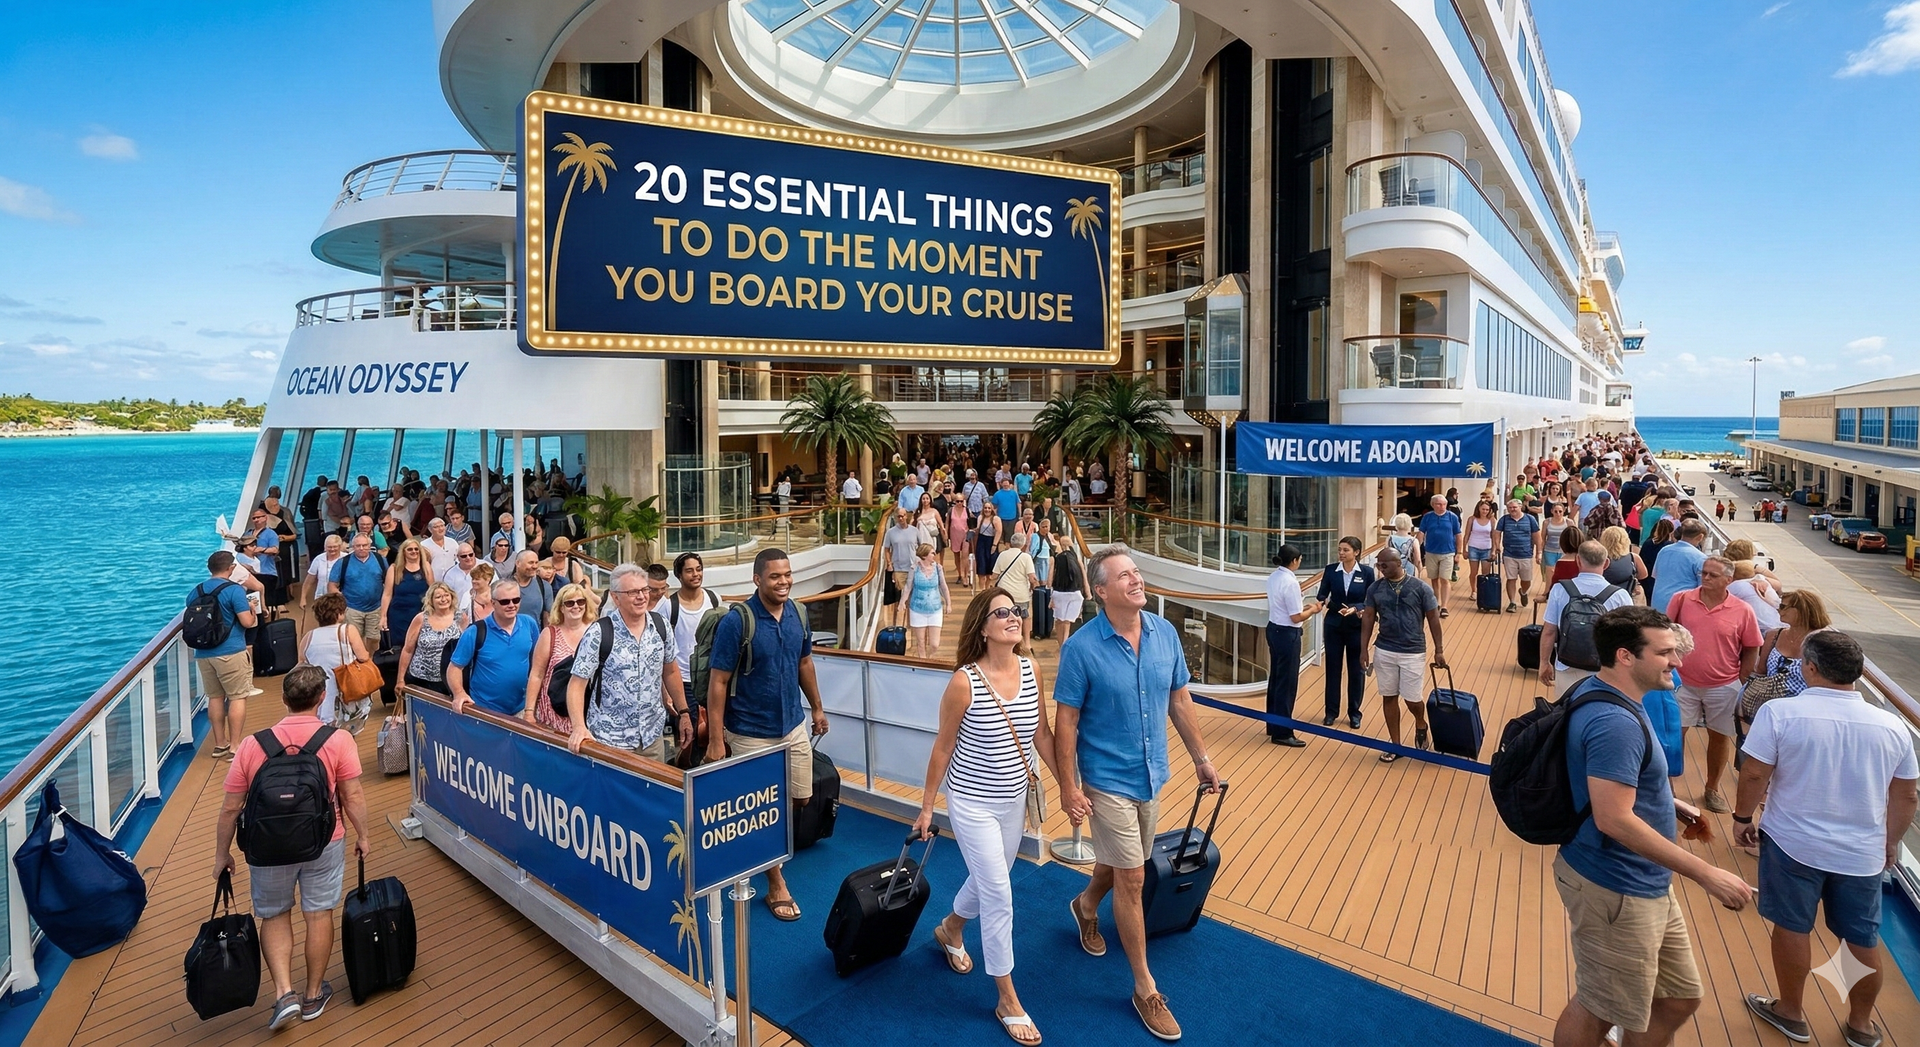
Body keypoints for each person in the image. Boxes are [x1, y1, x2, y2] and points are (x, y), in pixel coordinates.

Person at [1551, 606, 1753, 1047]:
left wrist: (1667, 801)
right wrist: (1707, 874)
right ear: (1625, 656)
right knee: (1599, 1009)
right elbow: (1613, 818)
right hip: (1615, 886)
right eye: (1664, 653)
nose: (1677, 662)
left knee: (1678, 998)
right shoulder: (1615, 722)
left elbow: (1612, 782)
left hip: (1643, 882)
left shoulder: (1603, 691)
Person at [1053, 546, 1220, 1041]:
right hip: (1106, 780)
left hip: (1154, 775)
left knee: (1123, 860)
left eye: (1137, 573)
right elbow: (1066, 721)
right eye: (1124, 576)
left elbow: (1180, 698)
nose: (1136, 580)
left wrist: (1201, 758)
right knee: (1131, 878)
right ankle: (1145, 987)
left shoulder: (1165, 633)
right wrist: (1068, 785)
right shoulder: (1081, 649)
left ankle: (1084, 906)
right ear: (1101, 591)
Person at [1734, 630, 1919, 1047]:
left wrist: (1743, 817)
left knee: (1793, 927)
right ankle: (1861, 1025)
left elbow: (1754, 772)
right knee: (1859, 936)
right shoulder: (1892, 725)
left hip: (1792, 843)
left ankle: (1791, 1012)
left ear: (1811, 668)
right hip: (1861, 853)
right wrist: (1889, 843)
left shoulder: (1780, 714)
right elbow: (1906, 794)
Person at [913, 588, 1063, 1046]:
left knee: (987, 877)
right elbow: (943, 746)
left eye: (1016, 610)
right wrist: (926, 805)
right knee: (999, 892)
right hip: (972, 803)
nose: (1014, 617)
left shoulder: (1032, 668)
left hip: (1014, 799)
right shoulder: (965, 681)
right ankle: (1007, 999)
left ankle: (951, 927)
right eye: (1002, 612)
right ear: (982, 626)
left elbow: (1040, 731)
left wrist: (1069, 786)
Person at [213, 664, 368, 1030]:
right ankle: (314, 995)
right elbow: (352, 795)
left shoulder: (253, 745)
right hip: (323, 841)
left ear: (283, 699)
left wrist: (223, 854)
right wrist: (363, 835)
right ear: (320, 699)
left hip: (267, 847)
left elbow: (231, 807)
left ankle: (284, 993)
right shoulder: (338, 740)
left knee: (275, 914)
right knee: (318, 914)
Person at [704, 549, 828, 922]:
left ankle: (762, 845)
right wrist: (715, 738)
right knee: (762, 809)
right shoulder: (737, 622)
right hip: (749, 731)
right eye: (775, 576)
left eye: (788, 574)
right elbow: (718, 681)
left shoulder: (798, 614)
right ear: (757, 579)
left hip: (791, 724)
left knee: (801, 798)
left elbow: (804, 662)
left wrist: (817, 708)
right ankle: (775, 880)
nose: (784, 582)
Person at [1666, 556, 1762, 814]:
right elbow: (1665, 632)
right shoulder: (1682, 599)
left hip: (1723, 684)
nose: (1705, 578)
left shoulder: (1743, 610)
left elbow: (1752, 646)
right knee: (1675, 734)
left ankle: (1712, 789)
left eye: (1713, 575)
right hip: (1681, 682)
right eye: (1704, 573)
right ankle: (1667, 788)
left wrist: (1743, 678)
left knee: (1720, 737)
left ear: (1728, 580)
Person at [567, 566, 690, 762]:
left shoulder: (661, 626)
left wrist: (684, 712)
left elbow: (671, 671)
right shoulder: (599, 633)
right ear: (616, 598)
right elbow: (576, 684)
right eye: (633, 592)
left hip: (652, 739)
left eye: (644, 590)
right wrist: (579, 727)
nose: (641, 596)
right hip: (610, 741)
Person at [1357, 546, 1445, 759]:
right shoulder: (1375, 589)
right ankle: (1396, 746)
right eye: (1378, 565)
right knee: (1389, 696)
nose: (1381, 568)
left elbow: (1433, 618)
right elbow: (1368, 617)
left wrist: (1439, 650)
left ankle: (1420, 721)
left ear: (1399, 563)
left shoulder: (1420, 588)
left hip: (1412, 651)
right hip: (1385, 649)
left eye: (1384, 565)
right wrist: (1364, 650)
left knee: (1412, 699)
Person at [1539, 542, 1637, 698]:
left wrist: (1544, 662)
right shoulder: (1620, 596)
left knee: (1565, 714)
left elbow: (1549, 631)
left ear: (1578, 560)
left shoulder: (1559, 589)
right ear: (1606, 563)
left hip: (1566, 664)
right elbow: (1630, 638)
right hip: (1605, 669)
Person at [191, 551, 261, 759]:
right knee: (238, 696)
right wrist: (250, 608)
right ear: (230, 568)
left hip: (204, 652)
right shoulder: (234, 590)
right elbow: (247, 622)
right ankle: (235, 745)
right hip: (230, 650)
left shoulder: (197, 590)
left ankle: (219, 743)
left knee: (215, 697)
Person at [447, 580, 541, 717]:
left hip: (522, 709)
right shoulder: (475, 631)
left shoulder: (529, 624)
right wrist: (459, 693)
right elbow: (455, 667)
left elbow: (538, 665)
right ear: (493, 603)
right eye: (505, 602)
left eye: (516, 600)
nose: (511, 605)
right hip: (485, 710)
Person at [1316, 536, 1374, 729]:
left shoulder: (1366, 572)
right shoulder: (1331, 570)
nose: (1341, 553)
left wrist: (1357, 608)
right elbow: (1322, 594)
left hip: (1356, 628)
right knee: (1333, 669)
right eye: (1340, 549)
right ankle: (1331, 712)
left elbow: (1370, 600)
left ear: (1356, 552)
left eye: (1345, 550)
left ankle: (1354, 713)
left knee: (1356, 671)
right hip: (1334, 625)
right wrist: (1332, 605)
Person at [527, 583, 600, 734]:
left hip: (589, 713)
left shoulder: (596, 631)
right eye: (569, 603)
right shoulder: (549, 634)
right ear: (561, 607)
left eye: (580, 602)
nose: (576, 606)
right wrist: (529, 711)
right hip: (553, 714)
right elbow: (537, 674)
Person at [1265, 546, 1319, 748]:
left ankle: (1273, 724)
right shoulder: (1291, 583)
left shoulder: (1274, 577)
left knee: (1277, 679)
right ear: (1295, 560)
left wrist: (1304, 609)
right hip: (1288, 634)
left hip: (1274, 629)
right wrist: (1313, 609)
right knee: (1287, 684)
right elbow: (1296, 617)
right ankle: (1283, 731)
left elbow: (1288, 609)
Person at [301, 592, 374, 727]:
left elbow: (301, 663)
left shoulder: (308, 637)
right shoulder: (347, 630)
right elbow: (363, 656)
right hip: (344, 690)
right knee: (345, 730)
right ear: (339, 613)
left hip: (318, 692)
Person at [397, 582, 464, 699]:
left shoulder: (460, 617)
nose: (443, 599)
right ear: (431, 600)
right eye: (438, 597)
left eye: (446, 595)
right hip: (420, 679)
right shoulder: (421, 618)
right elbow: (407, 650)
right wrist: (400, 680)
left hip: (448, 680)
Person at [667, 552, 724, 681]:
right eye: (689, 571)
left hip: (710, 676)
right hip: (682, 679)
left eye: (699, 569)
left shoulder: (714, 599)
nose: (695, 574)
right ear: (679, 575)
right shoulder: (669, 606)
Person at [329, 534, 387, 650]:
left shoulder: (380, 560)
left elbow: (388, 583)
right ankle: (357, 663)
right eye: (358, 545)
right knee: (353, 639)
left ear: (370, 545)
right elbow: (332, 586)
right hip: (352, 608)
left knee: (374, 639)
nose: (361, 548)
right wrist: (342, 603)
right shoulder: (342, 563)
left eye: (364, 545)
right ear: (352, 547)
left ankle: (370, 661)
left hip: (376, 608)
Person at [989, 531, 1040, 654]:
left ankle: (1006, 641)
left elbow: (994, 575)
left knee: (1005, 618)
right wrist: (1036, 584)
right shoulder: (1026, 557)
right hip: (1021, 594)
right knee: (1025, 617)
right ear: (1023, 544)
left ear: (1011, 543)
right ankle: (1026, 643)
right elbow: (1032, 577)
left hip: (1004, 594)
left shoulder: (1002, 555)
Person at [380, 538, 434, 654]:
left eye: (416, 549)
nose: (414, 551)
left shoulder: (426, 567)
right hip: (399, 616)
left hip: (420, 614)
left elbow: (432, 591)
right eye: (410, 549)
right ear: (403, 552)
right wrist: (383, 616)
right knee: (401, 648)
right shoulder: (394, 569)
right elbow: (387, 594)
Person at [1648, 519, 1708, 615]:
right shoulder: (1700, 558)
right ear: (1700, 537)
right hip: (1681, 608)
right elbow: (1703, 588)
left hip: (1658, 604)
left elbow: (1655, 575)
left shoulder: (1664, 550)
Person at [1416, 494, 1462, 616]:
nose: (1442, 507)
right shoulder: (1427, 517)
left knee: (1445, 579)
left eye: (1444, 504)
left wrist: (1459, 552)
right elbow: (1421, 533)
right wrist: (1415, 547)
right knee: (1434, 579)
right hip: (1431, 551)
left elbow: (1458, 535)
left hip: (1448, 552)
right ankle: (1436, 602)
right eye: (1439, 504)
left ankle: (1444, 606)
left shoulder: (1452, 517)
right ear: (1433, 505)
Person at [1495, 498, 1541, 612]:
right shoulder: (1504, 520)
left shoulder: (1530, 519)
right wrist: (1497, 546)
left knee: (1526, 580)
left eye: (1514, 507)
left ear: (1520, 507)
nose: (1512, 510)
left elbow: (1537, 536)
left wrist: (1539, 552)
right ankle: (1512, 602)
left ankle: (1523, 592)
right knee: (1511, 578)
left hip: (1526, 554)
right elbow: (1497, 534)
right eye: (1510, 508)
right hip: (1509, 554)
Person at [907, 542, 952, 660]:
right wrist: (902, 602)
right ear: (925, 555)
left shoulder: (938, 568)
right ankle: (923, 662)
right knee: (921, 642)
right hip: (917, 608)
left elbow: (943, 586)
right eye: (932, 553)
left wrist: (948, 603)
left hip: (935, 608)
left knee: (934, 644)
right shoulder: (914, 568)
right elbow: (908, 586)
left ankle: (931, 656)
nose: (935, 555)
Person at [885, 507, 922, 628]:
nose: (901, 518)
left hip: (913, 568)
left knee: (912, 598)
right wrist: (889, 564)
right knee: (898, 599)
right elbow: (887, 549)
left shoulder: (915, 531)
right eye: (898, 516)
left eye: (903, 516)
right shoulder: (890, 532)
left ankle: (911, 625)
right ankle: (897, 626)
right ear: (896, 517)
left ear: (907, 516)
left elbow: (921, 548)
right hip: (898, 569)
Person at [1050, 540, 1090, 645]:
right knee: (1067, 621)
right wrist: (1087, 591)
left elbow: (1050, 579)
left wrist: (1050, 594)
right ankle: (1065, 642)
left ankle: (1061, 644)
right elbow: (1083, 575)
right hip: (1075, 593)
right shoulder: (1076, 558)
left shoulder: (1055, 558)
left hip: (1059, 593)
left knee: (1059, 620)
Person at [1598, 526, 1647, 595]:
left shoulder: (1600, 558)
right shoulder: (1633, 557)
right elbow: (1644, 574)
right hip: (1626, 595)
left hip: (1603, 596)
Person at [303, 533, 345, 608]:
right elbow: (309, 581)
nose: (332, 549)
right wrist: (303, 598)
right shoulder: (318, 559)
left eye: (335, 546)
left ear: (340, 546)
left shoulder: (346, 558)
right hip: (322, 598)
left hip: (342, 599)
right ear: (325, 547)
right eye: (329, 547)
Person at [1463, 499, 1498, 587]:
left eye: (1487, 510)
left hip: (1487, 548)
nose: (1485, 511)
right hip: (1473, 547)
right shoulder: (1472, 519)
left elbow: (1493, 536)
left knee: (1486, 573)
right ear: (1479, 508)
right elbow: (1467, 534)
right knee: (1473, 572)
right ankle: (1473, 590)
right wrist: (1464, 549)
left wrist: (1494, 550)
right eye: (1483, 509)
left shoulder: (1492, 520)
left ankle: (1483, 591)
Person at [419, 516, 460, 581]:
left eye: (442, 526)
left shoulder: (452, 542)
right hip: (433, 581)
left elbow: (458, 559)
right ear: (430, 530)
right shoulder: (424, 545)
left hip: (452, 580)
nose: (440, 529)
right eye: (436, 527)